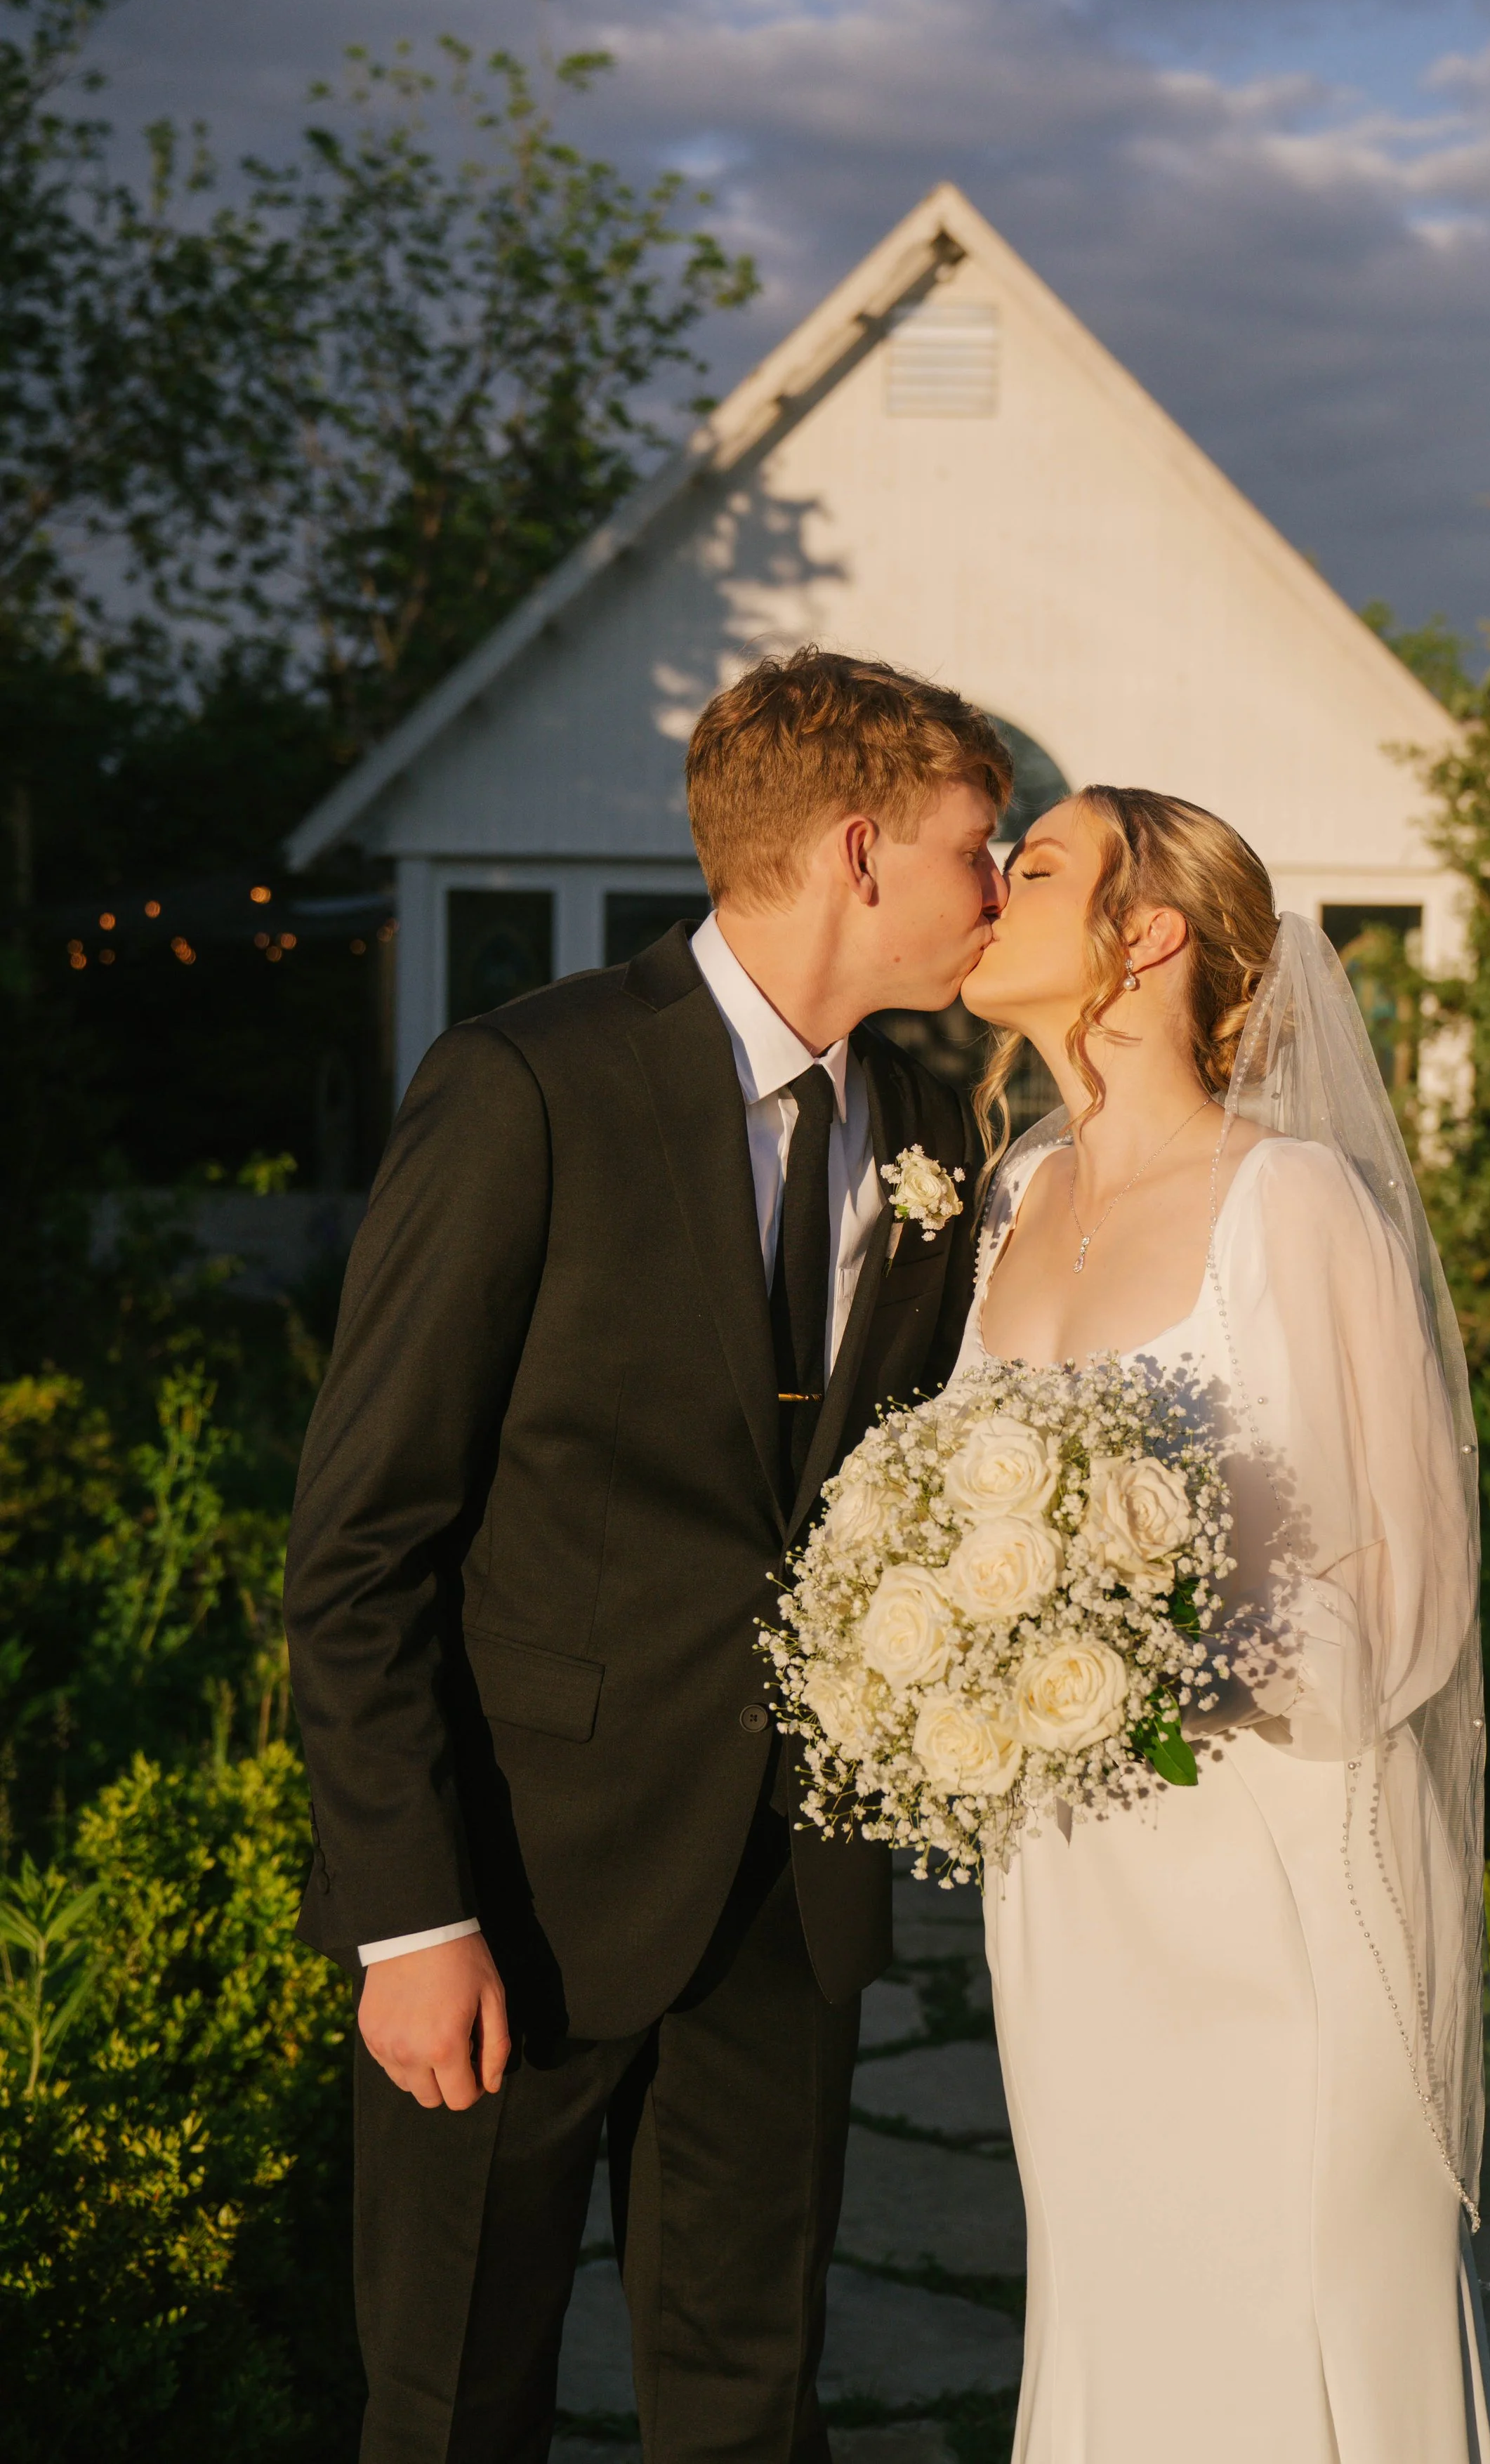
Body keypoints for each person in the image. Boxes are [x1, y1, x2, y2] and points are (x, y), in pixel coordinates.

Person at [282, 648, 1010, 2464]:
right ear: (859, 851)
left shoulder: (929, 1127)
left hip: (787, 1900)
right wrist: (410, 1911)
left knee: (751, 2404)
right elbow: (361, 1538)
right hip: (513, 1895)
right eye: (975, 849)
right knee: (453, 2403)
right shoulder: (527, 1084)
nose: (994, 890)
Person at [958, 785, 1490, 2464]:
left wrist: (1162, 1637)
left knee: (1294, 2293)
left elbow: (1411, 1582)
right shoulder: (1008, 1198)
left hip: (1272, 1873)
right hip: (1065, 1877)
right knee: (1115, 2292)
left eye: (1033, 864)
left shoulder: (1295, 1204)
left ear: (1148, 934)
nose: (992, 881)